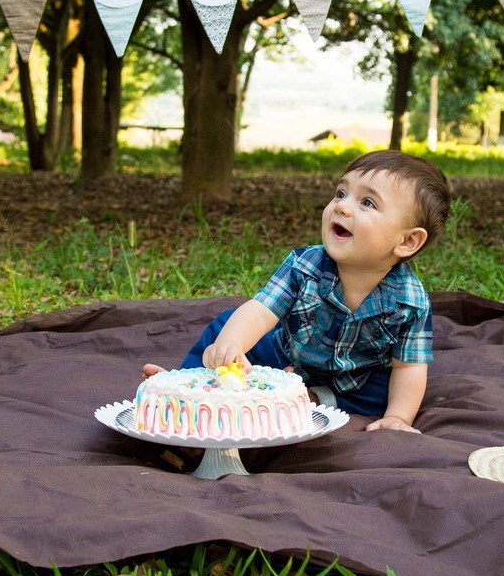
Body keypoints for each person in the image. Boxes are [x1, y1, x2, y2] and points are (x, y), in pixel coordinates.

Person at [144, 150, 450, 432]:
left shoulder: (410, 301)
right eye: (340, 193)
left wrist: (398, 417)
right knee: (227, 326)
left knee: (390, 392)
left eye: (367, 202)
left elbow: (409, 365)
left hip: (355, 380)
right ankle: (187, 387)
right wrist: (232, 344)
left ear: (407, 242)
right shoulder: (304, 265)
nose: (341, 206)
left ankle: (313, 397)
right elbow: (261, 311)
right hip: (286, 354)